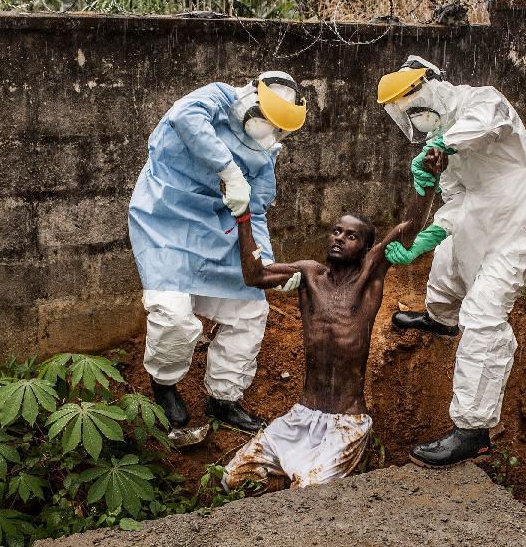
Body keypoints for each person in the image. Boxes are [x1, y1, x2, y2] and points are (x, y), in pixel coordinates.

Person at [220, 148, 448, 490]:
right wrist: (242, 216)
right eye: (336, 231)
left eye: (350, 235)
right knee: (231, 478)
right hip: (302, 415)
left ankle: (320, 470)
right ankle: (289, 472)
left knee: (308, 492)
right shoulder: (309, 274)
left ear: (366, 248)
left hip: (346, 421)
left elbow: (410, 227)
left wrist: (427, 179)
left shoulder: (369, 276)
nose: (339, 238)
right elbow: (254, 275)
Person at [377, 55, 526, 467]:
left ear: (434, 85)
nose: (416, 117)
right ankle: (440, 319)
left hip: (522, 218)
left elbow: (486, 124)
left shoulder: (481, 101)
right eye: (406, 114)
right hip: (478, 214)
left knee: (483, 314)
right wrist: (425, 240)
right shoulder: (439, 142)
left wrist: (443, 145)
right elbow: (456, 200)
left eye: (415, 105)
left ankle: (473, 432)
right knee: (447, 262)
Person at [128, 72, 307, 432]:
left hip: (216, 231)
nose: (269, 130)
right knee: (172, 316)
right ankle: (164, 385)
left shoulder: (265, 152)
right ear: (252, 100)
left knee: (250, 312)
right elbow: (185, 118)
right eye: (267, 119)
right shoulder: (216, 98)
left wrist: (266, 264)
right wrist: (230, 172)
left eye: (277, 127)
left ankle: (224, 399)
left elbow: (256, 211)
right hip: (165, 219)